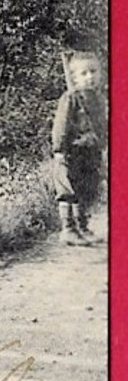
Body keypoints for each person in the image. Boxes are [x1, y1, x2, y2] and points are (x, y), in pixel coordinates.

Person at [52, 49, 107, 242]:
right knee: (69, 189)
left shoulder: (98, 99)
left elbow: (102, 125)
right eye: (84, 73)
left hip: (90, 152)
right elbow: (61, 125)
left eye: (93, 71)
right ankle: (68, 230)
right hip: (71, 152)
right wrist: (59, 149)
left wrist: (103, 144)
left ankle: (82, 227)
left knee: (87, 189)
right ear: (74, 78)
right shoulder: (71, 98)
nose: (90, 77)